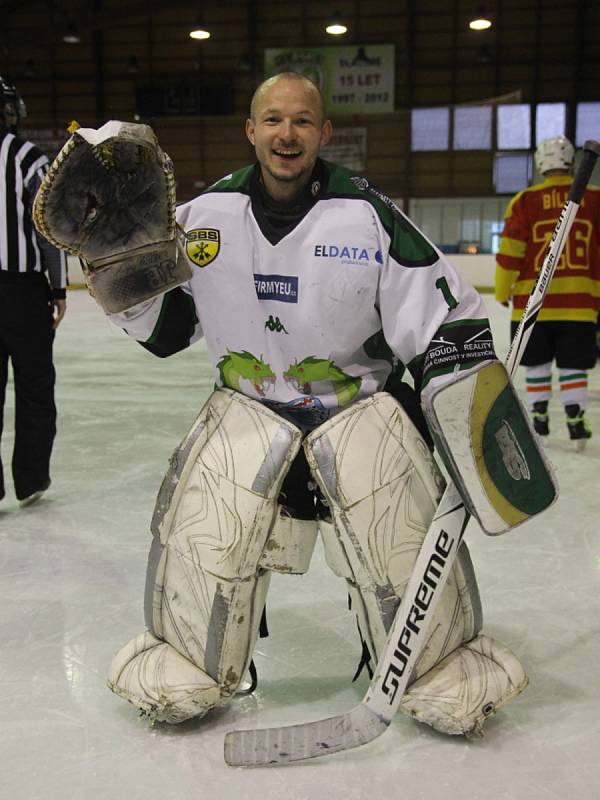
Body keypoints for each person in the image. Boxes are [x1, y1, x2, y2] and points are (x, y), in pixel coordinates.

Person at [36, 73, 555, 739]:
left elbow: (441, 316)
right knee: (204, 534)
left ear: (323, 133)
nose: (287, 134)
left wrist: (461, 404)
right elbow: (169, 331)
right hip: (247, 413)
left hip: (360, 414)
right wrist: (119, 263)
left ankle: (434, 660)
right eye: (273, 120)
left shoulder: (367, 216)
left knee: (396, 529)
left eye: (302, 121)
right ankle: (192, 654)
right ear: (251, 130)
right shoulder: (204, 218)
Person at [496, 135, 600, 449]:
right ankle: (575, 415)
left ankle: (538, 416)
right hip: (580, 305)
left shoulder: (524, 201)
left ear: (541, 162)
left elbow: (510, 251)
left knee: (536, 362)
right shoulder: (595, 199)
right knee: (573, 364)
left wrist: (503, 290)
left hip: (532, 305)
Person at [0, 76, 67, 506]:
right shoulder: (27, 158)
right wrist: (59, 287)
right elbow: (50, 228)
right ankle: (31, 479)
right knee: (35, 386)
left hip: (19, 289)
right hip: (22, 292)